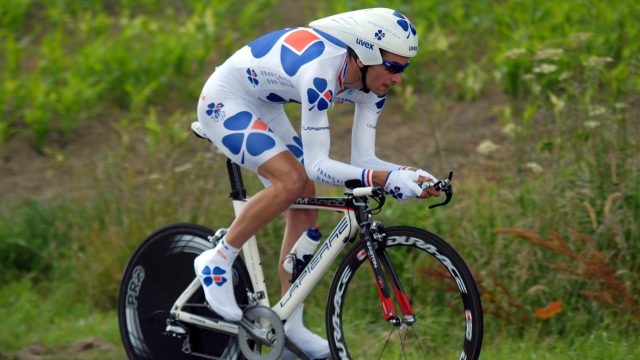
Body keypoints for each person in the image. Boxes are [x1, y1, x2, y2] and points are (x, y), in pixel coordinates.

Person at [193, 8, 440, 359]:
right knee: (293, 180)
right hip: (226, 101)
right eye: (394, 67)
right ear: (367, 55)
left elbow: (364, 162)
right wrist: (387, 180)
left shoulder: (373, 87)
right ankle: (217, 260)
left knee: (305, 202)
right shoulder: (321, 73)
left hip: (264, 104)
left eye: (405, 68)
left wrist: (411, 174)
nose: (399, 78)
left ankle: (289, 324)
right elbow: (319, 164)